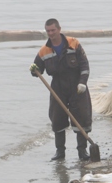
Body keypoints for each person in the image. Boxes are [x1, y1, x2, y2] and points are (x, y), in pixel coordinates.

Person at [30, 19, 93, 161]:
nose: (51, 33)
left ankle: (82, 151)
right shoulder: (44, 50)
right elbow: (37, 68)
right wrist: (34, 71)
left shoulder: (74, 44)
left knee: (81, 117)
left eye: (53, 30)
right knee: (57, 118)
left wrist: (83, 83)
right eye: (48, 31)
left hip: (77, 86)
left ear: (59, 29)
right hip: (58, 87)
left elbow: (84, 65)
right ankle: (60, 152)